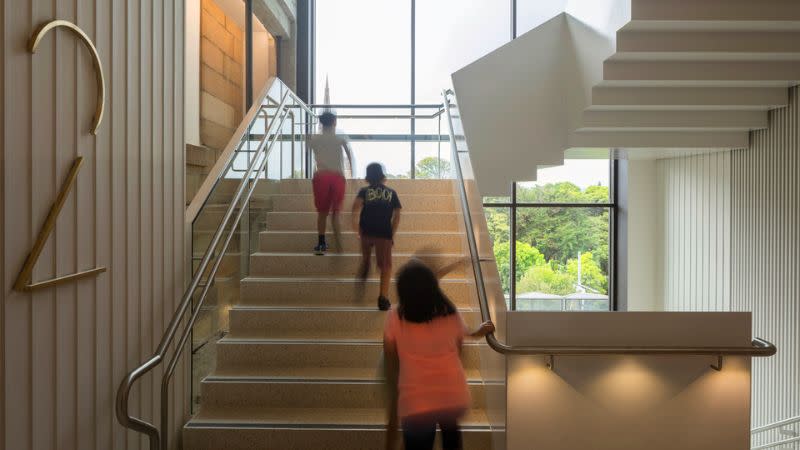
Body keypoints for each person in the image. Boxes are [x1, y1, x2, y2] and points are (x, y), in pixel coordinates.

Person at [383, 260, 495, 450]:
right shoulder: (450, 313)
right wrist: (479, 332)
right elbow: (459, 348)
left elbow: (390, 359)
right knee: (452, 439)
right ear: (434, 288)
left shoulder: (395, 318)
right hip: (453, 397)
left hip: (416, 403)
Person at [352, 163, 401, 311]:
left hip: (366, 231)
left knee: (366, 257)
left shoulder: (364, 191)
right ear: (382, 176)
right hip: (383, 233)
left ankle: (366, 266)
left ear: (368, 177)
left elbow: (355, 209)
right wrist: (391, 234)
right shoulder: (392, 193)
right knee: (385, 266)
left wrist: (357, 229)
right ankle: (383, 298)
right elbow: (397, 215)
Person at [307, 111, 354, 255]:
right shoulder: (340, 137)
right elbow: (349, 156)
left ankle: (321, 243)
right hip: (337, 177)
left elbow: (311, 153)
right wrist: (353, 175)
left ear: (321, 123)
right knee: (336, 212)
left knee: (322, 213)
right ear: (335, 122)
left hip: (321, 177)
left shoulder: (313, 139)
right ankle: (337, 241)